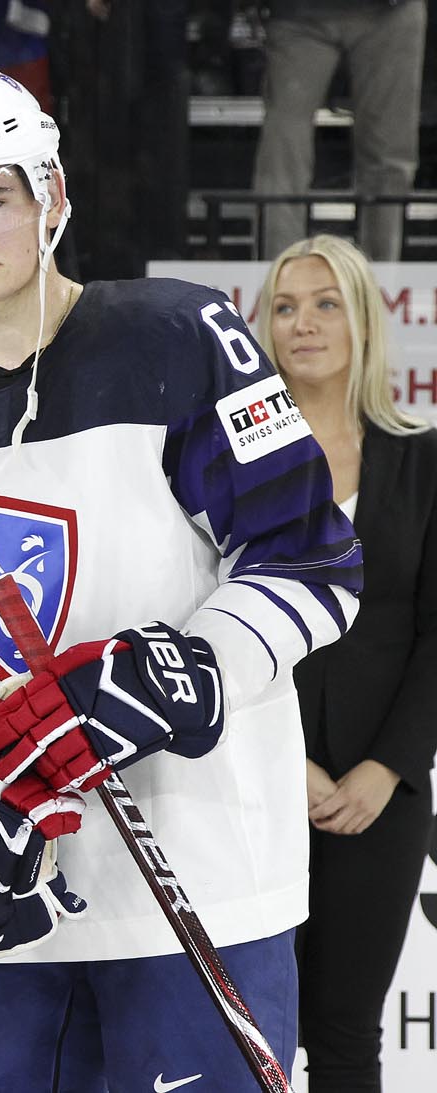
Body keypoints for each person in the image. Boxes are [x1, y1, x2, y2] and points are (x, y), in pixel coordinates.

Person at [0, 68, 363, 1090]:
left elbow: (312, 556)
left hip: (196, 875)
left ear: (51, 195)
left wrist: (189, 666)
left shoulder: (185, 340)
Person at [256, 234, 437, 1092]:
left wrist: (386, 768)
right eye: (285, 306)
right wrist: (278, 761)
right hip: (252, 787)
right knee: (248, 1031)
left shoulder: (424, 462)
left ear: (364, 319)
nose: (304, 323)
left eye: (326, 303)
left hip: (381, 797)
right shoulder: (233, 468)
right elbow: (202, 620)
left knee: (343, 1036)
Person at [251, 0, 427, 261]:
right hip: (298, 14)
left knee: (389, 152)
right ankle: (279, 277)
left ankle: (382, 284)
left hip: (391, 12)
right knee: (282, 150)